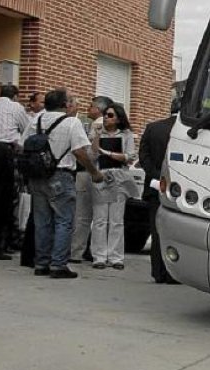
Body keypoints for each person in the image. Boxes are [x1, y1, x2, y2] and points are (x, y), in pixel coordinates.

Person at [25, 89, 104, 278]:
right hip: (61, 175)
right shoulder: (71, 122)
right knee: (64, 221)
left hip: (37, 176)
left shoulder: (35, 120)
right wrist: (93, 172)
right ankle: (58, 265)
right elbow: (79, 151)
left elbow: (23, 145)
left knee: (42, 222)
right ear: (65, 104)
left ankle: (41, 263)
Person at [90, 103, 136, 269]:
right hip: (101, 176)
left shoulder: (126, 135)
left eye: (110, 115)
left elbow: (129, 157)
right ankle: (99, 256)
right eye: (105, 115)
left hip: (119, 177)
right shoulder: (98, 133)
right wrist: (96, 135)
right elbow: (91, 155)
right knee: (100, 219)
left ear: (118, 118)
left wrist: (107, 153)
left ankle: (116, 256)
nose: (107, 118)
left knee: (116, 220)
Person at [0, 85, 30, 259]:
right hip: (4, 152)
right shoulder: (16, 108)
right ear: (16, 97)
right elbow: (27, 130)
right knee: (3, 199)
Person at [71, 95, 112, 262]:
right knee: (100, 217)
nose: (88, 109)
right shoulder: (109, 125)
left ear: (99, 109)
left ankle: (76, 252)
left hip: (88, 172)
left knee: (82, 216)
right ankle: (97, 253)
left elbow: (89, 152)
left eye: (91, 106)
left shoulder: (97, 124)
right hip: (100, 172)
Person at [139, 105, 178, 284]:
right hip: (177, 189)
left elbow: (143, 157)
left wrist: (156, 176)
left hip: (154, 186)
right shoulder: (185, 131)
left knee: (156, 230)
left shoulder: (152, 127)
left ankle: (157, 271)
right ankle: (172, 273)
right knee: (175, 231)